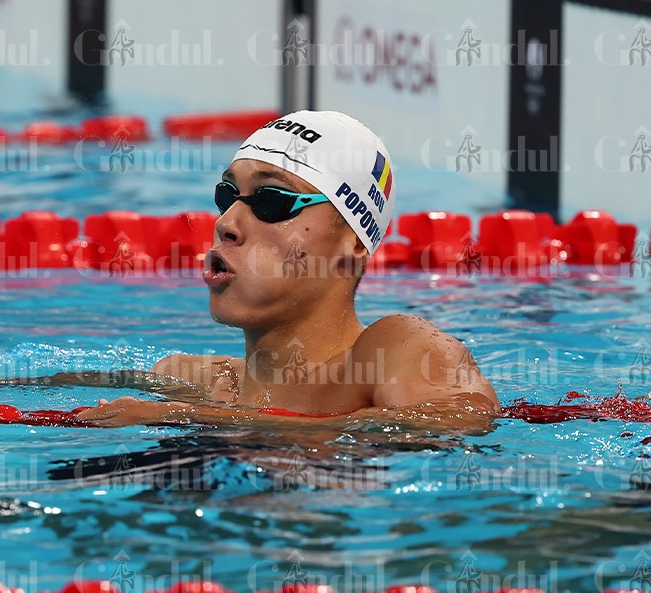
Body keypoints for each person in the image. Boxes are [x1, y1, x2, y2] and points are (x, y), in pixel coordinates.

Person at [78, 111, 499, 431]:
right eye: (228, 196)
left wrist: (193, 418)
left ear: (352, 241)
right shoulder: (191, 379)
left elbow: (462, 417)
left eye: (271, 201)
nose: (226, 223)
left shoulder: (392, 350)